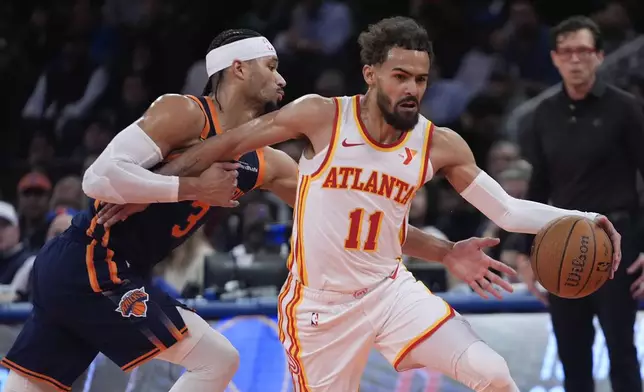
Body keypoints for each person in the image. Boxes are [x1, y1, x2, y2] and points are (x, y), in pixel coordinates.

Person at [2, 28, 512, 392]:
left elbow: (361, 224)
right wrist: (190, 187)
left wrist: (443, 251)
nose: (282, 78)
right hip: (91, 262)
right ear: (238, 68)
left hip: (92, 272)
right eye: (271, 66)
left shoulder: (264, 162)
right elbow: (96, 179)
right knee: (216, 360)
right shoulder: (183, 111)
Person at [156, 17, 622, 392]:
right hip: (320, 308)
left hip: (391, 291)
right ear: (371, 74)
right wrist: (150, 183)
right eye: (400, 76)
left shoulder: (439, 144)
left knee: (494, 374)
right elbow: (228, 142)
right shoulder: (322, 115)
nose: (411, 89)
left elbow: (508, 211)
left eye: (420, 79)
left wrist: (585, 218)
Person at [517, 16, 644, 392]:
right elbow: (538, 186)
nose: (575, 59)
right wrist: (526, 253)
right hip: (562, 243)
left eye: (584, 51)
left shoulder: (626, 109)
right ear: (555, 58)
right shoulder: (543, 114)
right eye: (567, 52)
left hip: (618, 243)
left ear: (600, 56)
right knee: (573, 357)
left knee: (622, 353)